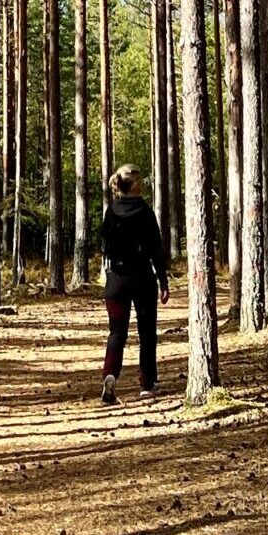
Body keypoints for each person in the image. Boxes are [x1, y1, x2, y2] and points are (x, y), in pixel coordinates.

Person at [98, 164, 168, 403]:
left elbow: (104, 245)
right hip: (142, 278)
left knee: (117, 332)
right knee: (146, 332)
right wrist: (163, 281)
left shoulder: (111, 211)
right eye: (141, 181)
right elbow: (156, 250)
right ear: (135, 185)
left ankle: (110, 375)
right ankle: (147, 384)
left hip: (116, 281)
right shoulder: (145, 212)